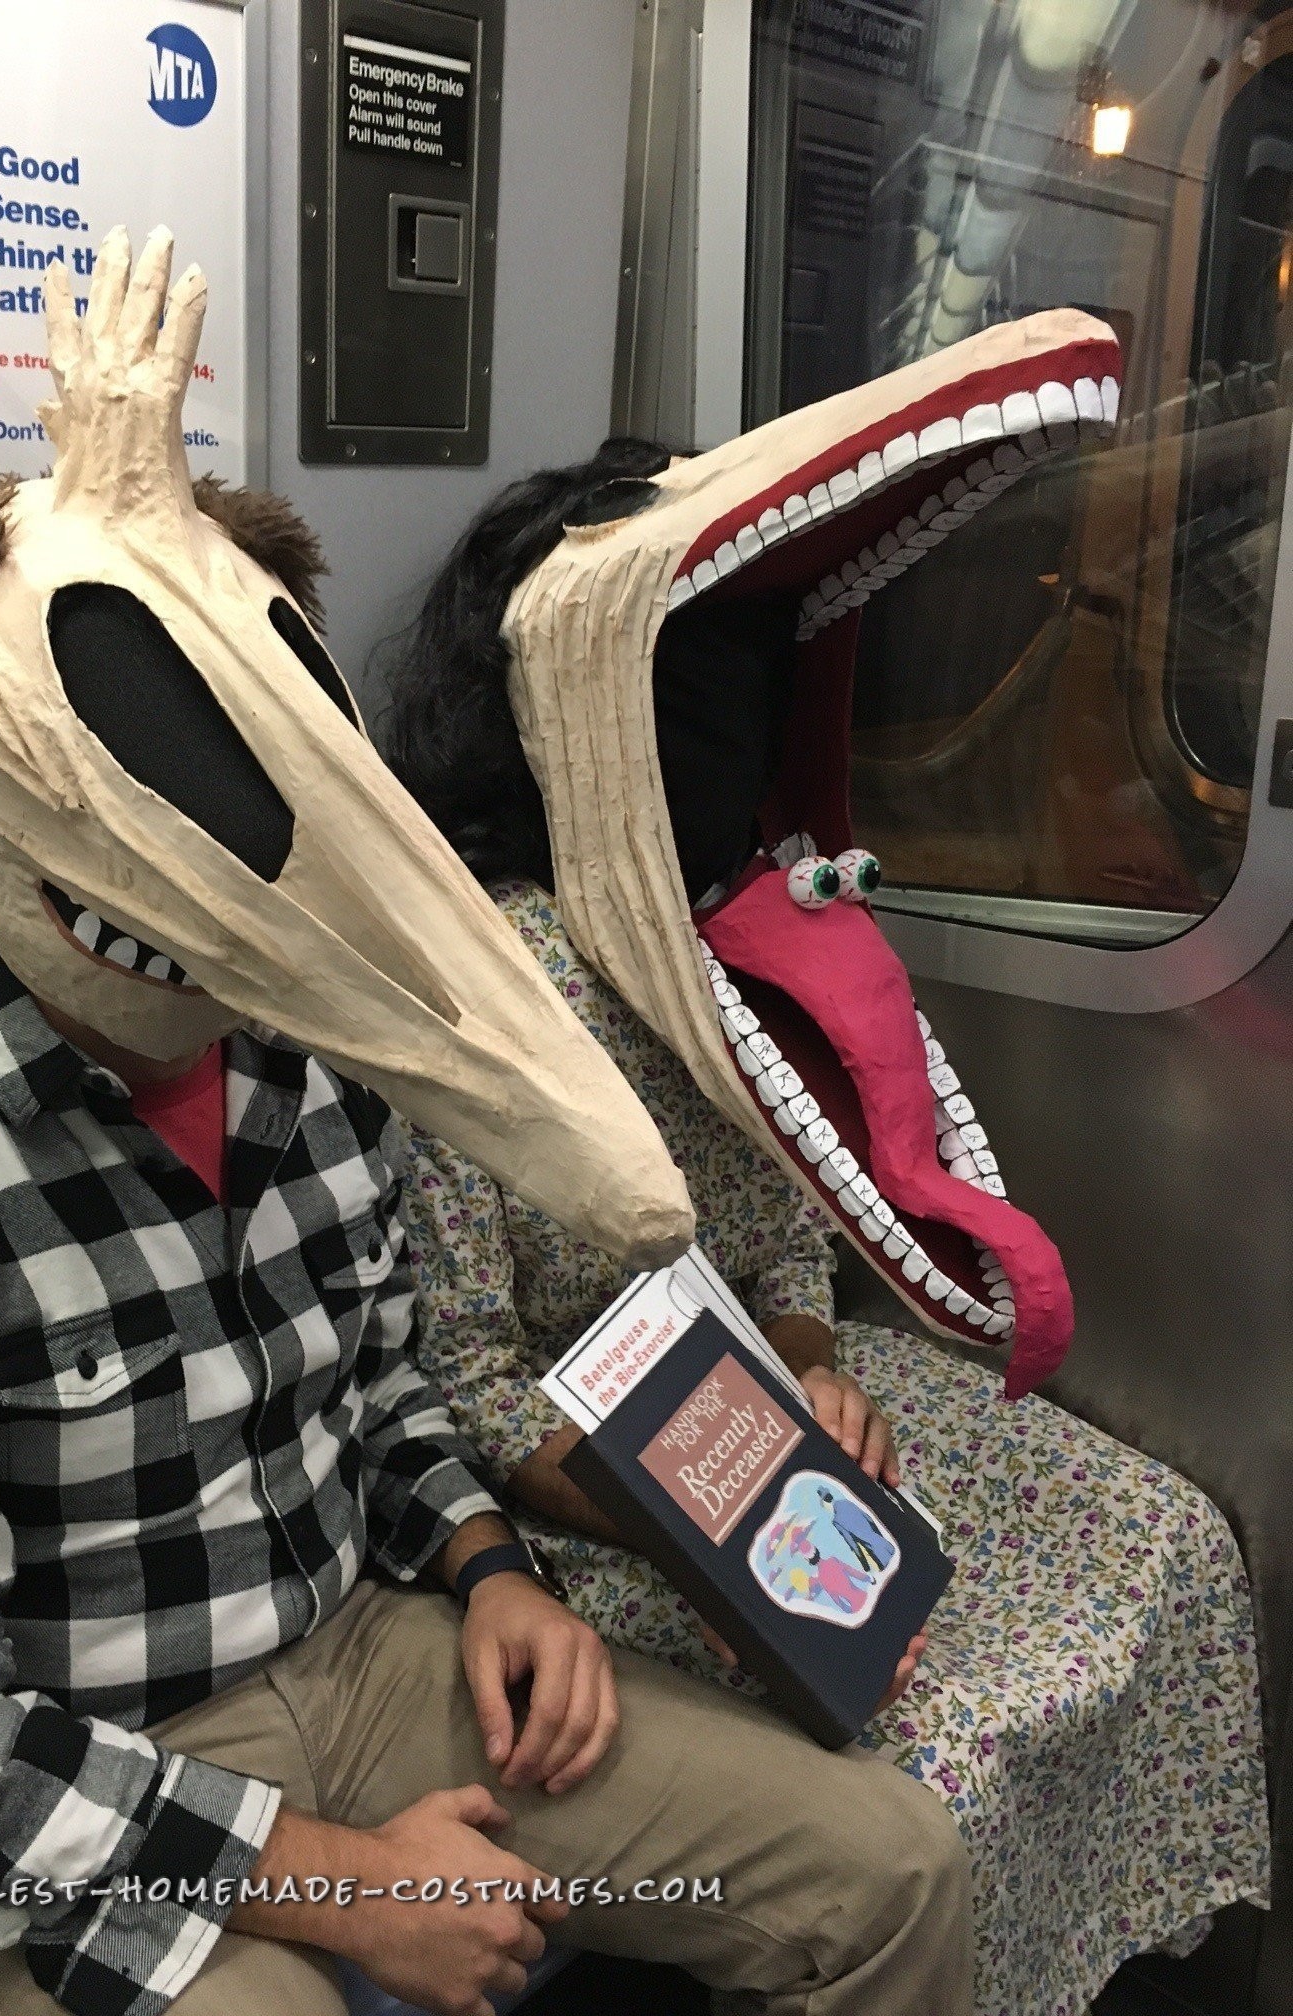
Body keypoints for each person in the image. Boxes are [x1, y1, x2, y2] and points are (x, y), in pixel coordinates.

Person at [0, 232, 974, 2016]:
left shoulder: (312, 1068)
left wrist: (491, 1571)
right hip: (79, 1784)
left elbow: (387, 1390)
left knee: (886, 1873)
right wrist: (343, 1889)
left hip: (370, 1653)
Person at [383, 431, 1272, 2016]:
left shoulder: (733, 936)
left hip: (773, 1422)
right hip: (587, 1485)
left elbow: (788, 1250)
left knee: (1170, 1542)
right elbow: (458, 1372)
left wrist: (806, 1378)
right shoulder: (480, 991)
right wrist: (701, 1496)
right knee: (909, 1724)